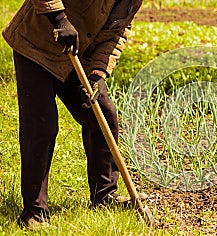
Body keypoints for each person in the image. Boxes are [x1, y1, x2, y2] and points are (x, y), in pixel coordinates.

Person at [2, 0, 143, 229]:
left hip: (77, 54)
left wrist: (98, 71)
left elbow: (119, 29)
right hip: (36, 47)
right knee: (42, 126)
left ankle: (104, 196)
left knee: (102, 115)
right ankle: (34, 212)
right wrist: (58, 19)